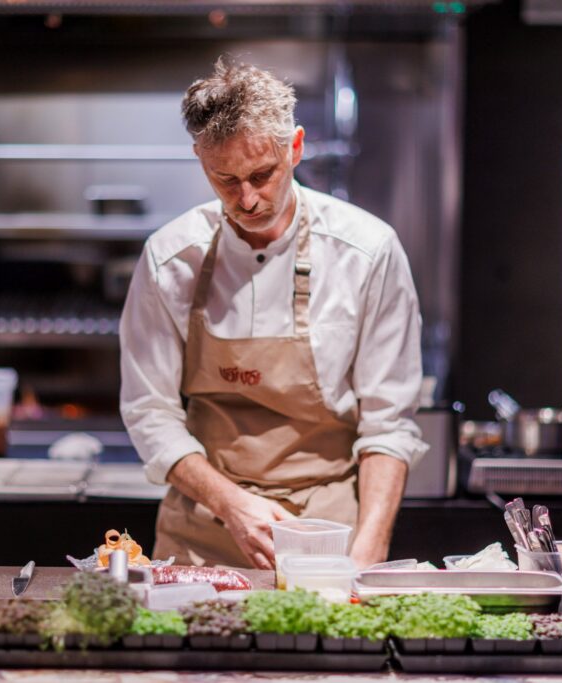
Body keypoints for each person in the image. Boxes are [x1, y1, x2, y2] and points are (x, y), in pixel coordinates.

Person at [119, 57, 427, 570]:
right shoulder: (170, 259)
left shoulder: (367, 252)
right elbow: (150, 413)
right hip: (203, 528)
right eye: (225, 179)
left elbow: (388, 425)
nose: (248, 198)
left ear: (296, 147)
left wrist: (367, 555)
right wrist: (231, 503)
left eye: (262, 174)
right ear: (200, 159)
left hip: (326, 532)